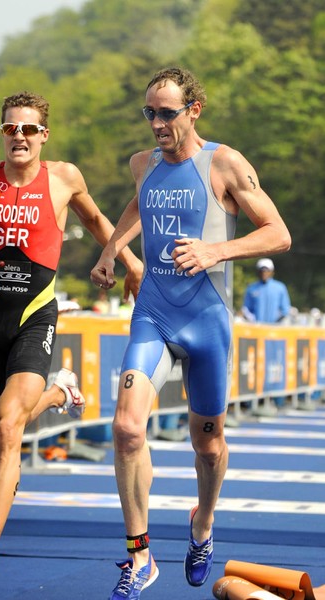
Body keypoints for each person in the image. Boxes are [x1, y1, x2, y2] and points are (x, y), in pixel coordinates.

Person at [90, 66, 291, 598]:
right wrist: (112, 251)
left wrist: (215, 250)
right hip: (153, 312)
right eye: (149, 112)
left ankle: (202, 526)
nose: (156, 122)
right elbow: (139, 203)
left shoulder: (223, 163)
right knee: (128, 429)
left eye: (166, 113)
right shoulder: (143, 164)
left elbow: (279, 233)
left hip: (207, 321)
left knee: (208, 446)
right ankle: (140, 557)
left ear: (193, 110)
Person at [0, 91, 143, 597]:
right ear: (2, 132)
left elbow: (100, 224)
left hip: (36, 316)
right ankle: (58, 394)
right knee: (0, 436)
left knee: (10, 428)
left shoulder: (64, 177)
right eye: (11, 128)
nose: (20, 137)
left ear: (43, 135)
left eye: (29, 129)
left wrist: (131, 263)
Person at [242, 258, 291, 323]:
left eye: (267, 270)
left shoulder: (280, 287)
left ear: (272, 272)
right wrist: (253, 321)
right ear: (258, 272)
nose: (264, 273)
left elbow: (285, 310)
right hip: (256, 328)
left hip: (275, 329)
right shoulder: (251, 288)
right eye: (261, 270)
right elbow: (246, 309)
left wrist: (276, 323)